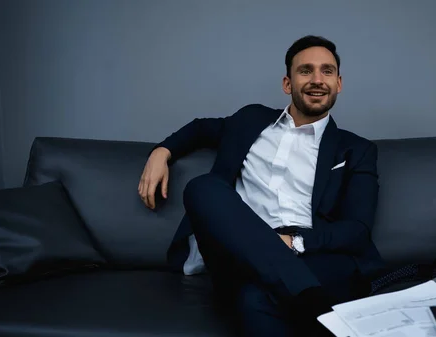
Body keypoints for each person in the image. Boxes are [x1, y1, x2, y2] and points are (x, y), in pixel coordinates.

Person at [138, 35, 385, 337]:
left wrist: (293, 242)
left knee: (255, 298)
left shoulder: (356, 149)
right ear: (287, 83)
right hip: (237, 253)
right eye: (306, 71)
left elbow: (357, 229)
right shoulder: (250, 119)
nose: (317, 79)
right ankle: (315, 306)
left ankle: (301, 295)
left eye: (327, 71)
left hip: (311, 257)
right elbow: (202, 128)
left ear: (339, 83)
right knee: (203, 187)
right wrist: (161, 151)